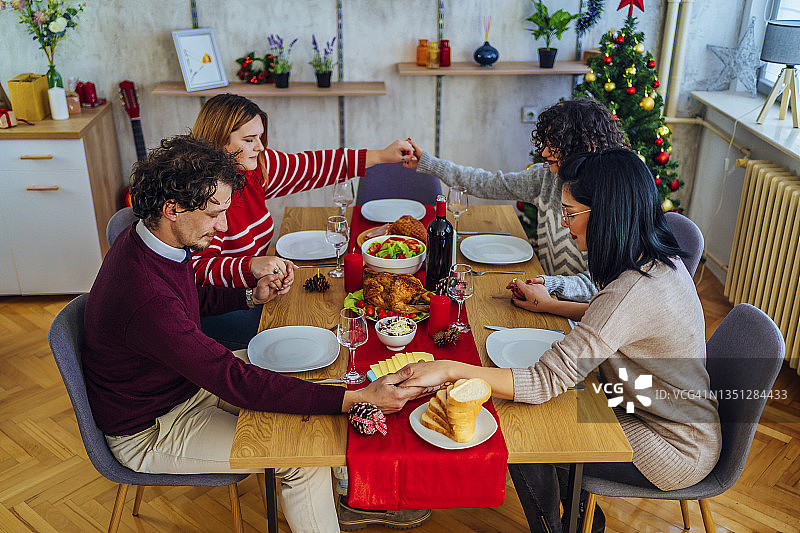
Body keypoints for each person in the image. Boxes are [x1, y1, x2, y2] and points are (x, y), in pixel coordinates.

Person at [82, 135, 422, 533]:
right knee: (302, 458)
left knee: (310, 378)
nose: (223, 225)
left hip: (182, 384)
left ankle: (346, 501)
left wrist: (248, 295)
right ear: (171, 208)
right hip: (153, 426)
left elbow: (188, 297)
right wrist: (360, 397)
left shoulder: (151, 239)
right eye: (213, 214)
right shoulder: (144, 296)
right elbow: (233, 380)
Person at [401, 149, 721, 533]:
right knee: (535, 412)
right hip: (647, 405)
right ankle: (579, 513)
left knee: (524, 433)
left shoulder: (635, 290)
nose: (566, 226)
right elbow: (616, 323)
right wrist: (553, 305)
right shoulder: (655, 260)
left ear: (605, 214)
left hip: (671, 444)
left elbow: (543, 381)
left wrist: (448, 369)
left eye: (570, 214)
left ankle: (562, 526)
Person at [190, 93, 416, 350]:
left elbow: (312, 166)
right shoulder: (203, 195)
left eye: (260, 138)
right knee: (317, 329)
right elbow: (195, 272)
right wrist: (250, 266)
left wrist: (382, 156)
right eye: (250, 139)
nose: (260, 147)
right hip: (221, 309)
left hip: (259, 289)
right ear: (219, 142)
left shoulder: (253, 169)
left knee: (329, 315)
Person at [404, 98, 628, 316]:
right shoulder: (546, 178)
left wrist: (551, 285)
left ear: (578, 147)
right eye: (546, 143)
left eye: (554, 145)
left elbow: (602, 286)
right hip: (541, 296)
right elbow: (488, 183)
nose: (544, 153)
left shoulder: (608, 199)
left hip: (583, 315)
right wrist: (429, 163)